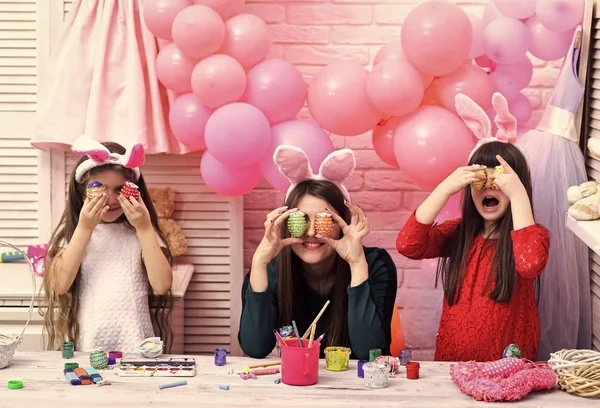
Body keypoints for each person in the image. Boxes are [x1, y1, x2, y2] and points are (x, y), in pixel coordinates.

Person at [396, 93, 550, 362]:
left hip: (507, 370)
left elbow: (530, 264)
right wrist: (444, 188)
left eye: (500, 182)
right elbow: (408, 245)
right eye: (481, 181)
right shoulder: (459, 234)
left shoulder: (532, 237)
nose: (490, 187)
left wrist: (518, 195)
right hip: (453, 364)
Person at [238, 145, 398, 360]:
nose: (311, 232)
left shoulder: (375, 263)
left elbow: (369, 353)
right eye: (300, 220)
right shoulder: (272, 271)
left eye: (325, 220)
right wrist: (258, 263)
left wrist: (357, 263)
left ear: (344, 224)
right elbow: (255, 348)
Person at [42, 136, 174, 353]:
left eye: (120, 190)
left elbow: (162, 285)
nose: (112, 200)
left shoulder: (140, 234)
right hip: (89, 344)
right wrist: (85, 228)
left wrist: (144, 228)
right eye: (100, 189)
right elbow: (60, 284)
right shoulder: (75, 235)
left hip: (137, 344)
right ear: (82, 192)